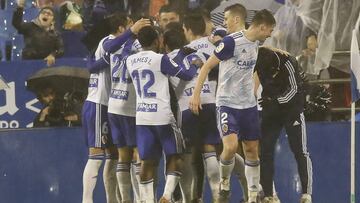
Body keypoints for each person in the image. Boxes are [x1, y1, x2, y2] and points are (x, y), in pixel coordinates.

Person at [189, 8, 276, 203]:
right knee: (230, 146)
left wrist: (253, 88)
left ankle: (253, 195)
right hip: (227, 104)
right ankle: (224, 180)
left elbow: (255, 68)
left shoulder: (256, 43)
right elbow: (206, 67)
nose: (270, 34)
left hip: (248, 106)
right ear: (262, 27)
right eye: (269, 30)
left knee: (252, 149)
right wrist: (196, 95)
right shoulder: (230, 42)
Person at [82, 14, 150, 203]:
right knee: (96, 156)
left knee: (113, 156)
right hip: (98, 103)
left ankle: (114, 199)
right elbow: (106, 55)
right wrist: (132, 33)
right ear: (121, 28)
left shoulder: (119, 44)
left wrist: (90, 63)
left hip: (111, 106)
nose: (133, 27)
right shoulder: (109, 41)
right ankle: (86, 200)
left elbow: (95, 65)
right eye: (129, 24)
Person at [125, 26, 198, 203]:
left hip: (142, 117)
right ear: (157, 41)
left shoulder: (130, 60)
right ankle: (166, 196)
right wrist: (191, 62)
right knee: (176, 155)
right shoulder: (160, 59)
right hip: (163, 116)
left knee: (147, 161)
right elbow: (186, 74)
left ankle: (148, 199)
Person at [254, 47, 313, 203]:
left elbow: (294, 90)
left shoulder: (288, 61)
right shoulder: (258, 61)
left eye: (274, 71)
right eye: (268, 72)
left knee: (300, 150)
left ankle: (306, 194)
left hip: (291, 110)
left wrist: (275, 101)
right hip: (271, 110)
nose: (271, 75)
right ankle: (267, 195)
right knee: (265, 151)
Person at [180, 13, 221, 201]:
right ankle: (217, 195)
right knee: (210, 149)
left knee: (188, 155)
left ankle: (190, 198)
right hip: (211, 99)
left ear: (188, 30)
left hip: (188, 103)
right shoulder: (216, 45)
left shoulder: (183, 50)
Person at [13, 0, 64, 66]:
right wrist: (20, 7)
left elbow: (61, 50)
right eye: (43, 12)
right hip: (29, 64)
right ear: (39, 16)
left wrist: (53, 55)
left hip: (46, 66)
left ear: (52, 20)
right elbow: (16, 23)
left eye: (49, 14)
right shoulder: (29, 27)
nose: (46, 14)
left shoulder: (56, 34)